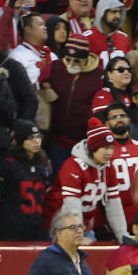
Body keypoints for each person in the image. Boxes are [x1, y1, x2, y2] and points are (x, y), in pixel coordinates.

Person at [44, 117, 126, 243]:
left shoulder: (108, 167)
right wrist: (77, 234)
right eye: (104, 148)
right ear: (93, 148)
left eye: (111, 147)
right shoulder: (73, 166)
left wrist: (123, 235)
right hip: (59, 224)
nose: (109, 152)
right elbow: (71, 204)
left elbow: (113, 203)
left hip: (84, 225)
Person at [42, 33, 103, 171]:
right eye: (68, 59)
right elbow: (39, 86)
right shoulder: (55, 68)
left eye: (76, 61)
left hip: (84, 143)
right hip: (56, 141)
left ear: (86, 59)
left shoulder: (99, 76)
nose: (71, 64)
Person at [0, 119, 50, 241]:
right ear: (21, 140)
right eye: (31, 138)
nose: (37, 141)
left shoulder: (42, 165)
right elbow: (1, 195)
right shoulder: (9, 164)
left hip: (36, 225)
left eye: (39, 137)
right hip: (13, 226)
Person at [83, 0, 131, 69]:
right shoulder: (86, 38)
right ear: (102, 12)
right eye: (114, 12)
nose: (118, 16)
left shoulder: (124, 38)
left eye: (120, 12)